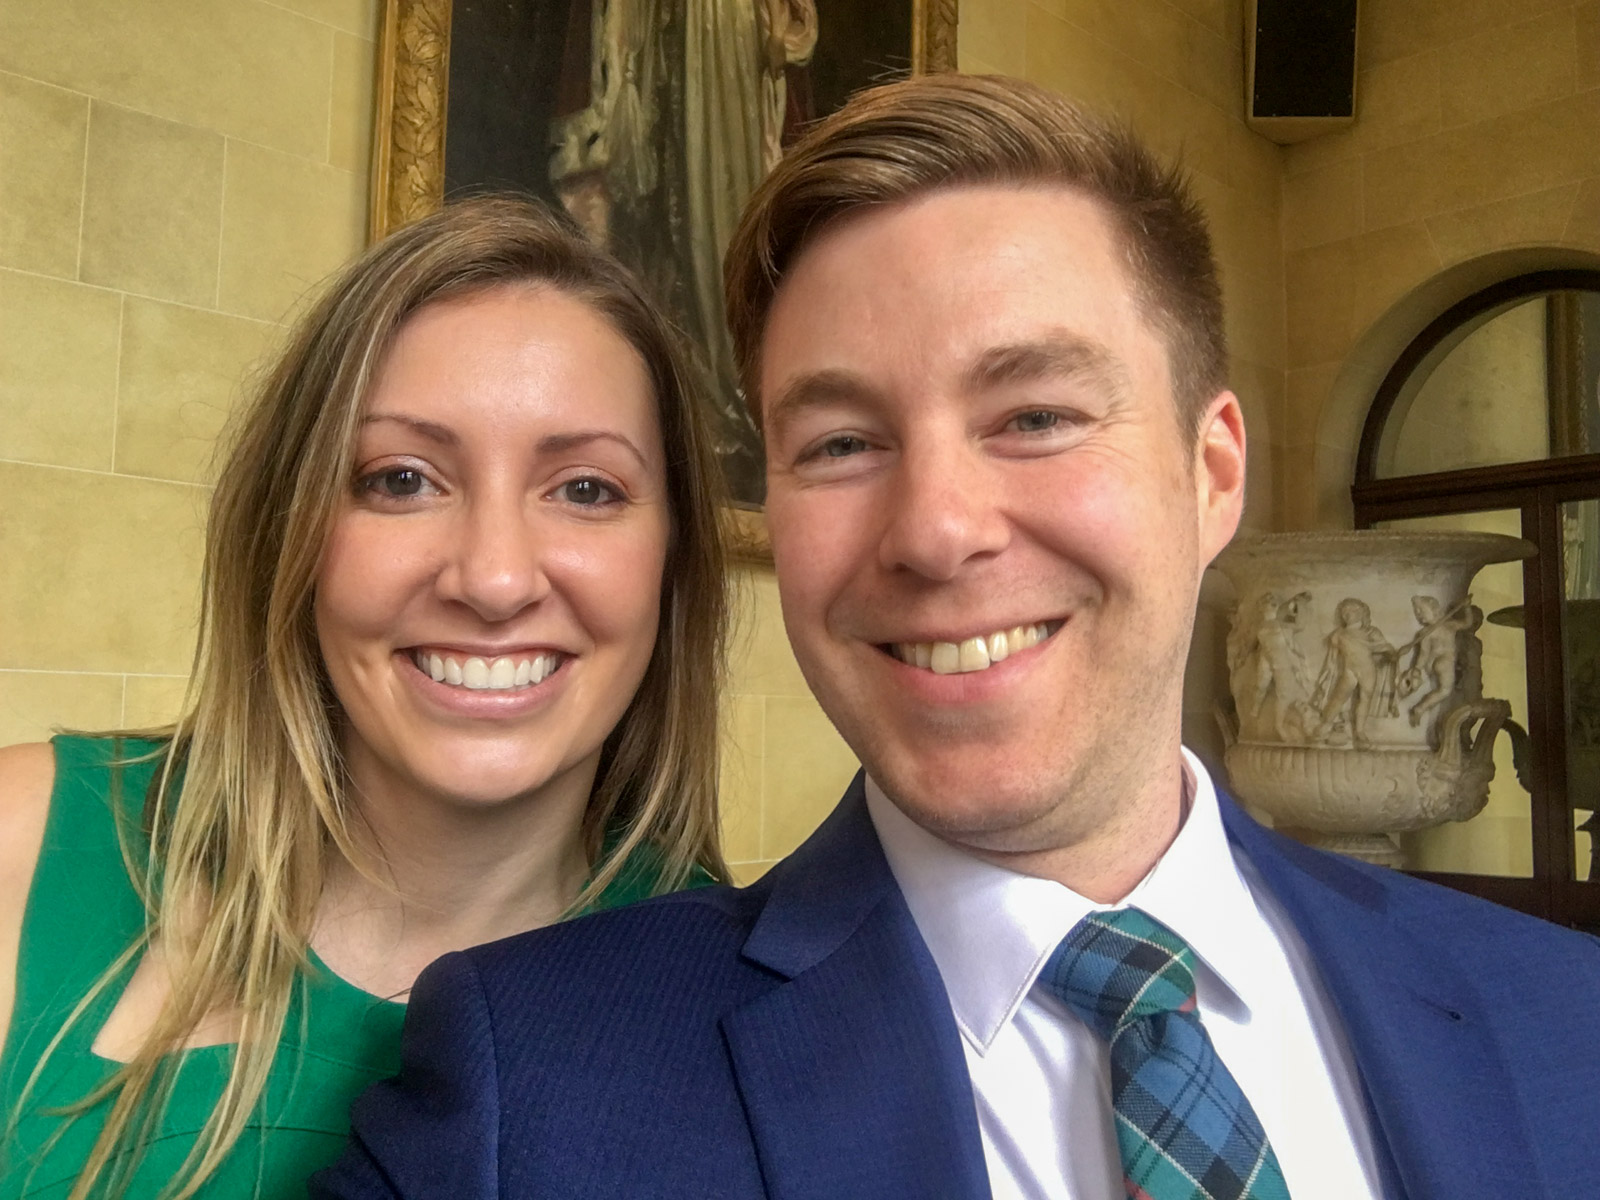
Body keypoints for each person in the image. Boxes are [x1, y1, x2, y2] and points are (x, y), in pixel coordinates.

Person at [314, 76, 1600, 1200]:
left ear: (1210, 474)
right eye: (840, 444)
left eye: (1034, 417)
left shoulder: (1563, 1018)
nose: (933, 531)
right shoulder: (530, 1082)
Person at [0, 195, 730, 1198]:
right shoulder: (25, 843)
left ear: (673, 563)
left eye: (585, 489)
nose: (494, 578)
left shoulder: (733, 1014)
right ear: (292, 533)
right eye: (402, 480)